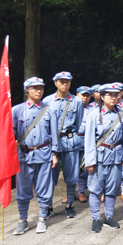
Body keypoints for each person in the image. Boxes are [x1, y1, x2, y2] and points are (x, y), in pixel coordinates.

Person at [12, 77, 59, 235]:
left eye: (41, 88)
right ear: (27, 90)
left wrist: (54, 153)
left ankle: (42, 218)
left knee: (44, 188)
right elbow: (10, 133)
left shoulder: (49, 110)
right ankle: (23, 220)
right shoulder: (17, 110)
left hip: (44, 154)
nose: (39, 91)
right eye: (34, 88)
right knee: (23, 189)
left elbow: (54, 134)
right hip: (24, 156)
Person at [84, 83, 123, 233]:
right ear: (102, 97)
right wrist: (90, 160)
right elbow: (89, 140)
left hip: (116, 156)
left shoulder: (122, 114)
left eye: (116, 95)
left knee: (112, 189)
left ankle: (109, 217)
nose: (113, 97)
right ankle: (96, 218)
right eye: (109, 95)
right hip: (99, 158)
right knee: (96, 190)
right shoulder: (93, 115)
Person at [43, 71, 84, 219]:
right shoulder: (47, 101)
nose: (65, 84)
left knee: (72, 175)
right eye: (61, 81)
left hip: (70, 142)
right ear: (55, 83)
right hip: (52, 143)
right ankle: (48, 205)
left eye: (67, 81)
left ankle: (69, 205)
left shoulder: (77, 101)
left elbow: (79, 124)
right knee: (49, 176)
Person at [74, 86, 94, 204]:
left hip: (87, 141)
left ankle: (81, 192)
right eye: (83, 95)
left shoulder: (93, 109)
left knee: (84, 168)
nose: (85, 97)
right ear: (77, 94)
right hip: (73, 140)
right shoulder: (72, 106)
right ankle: (70, 194)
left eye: (87, 95)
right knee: (71, 169)